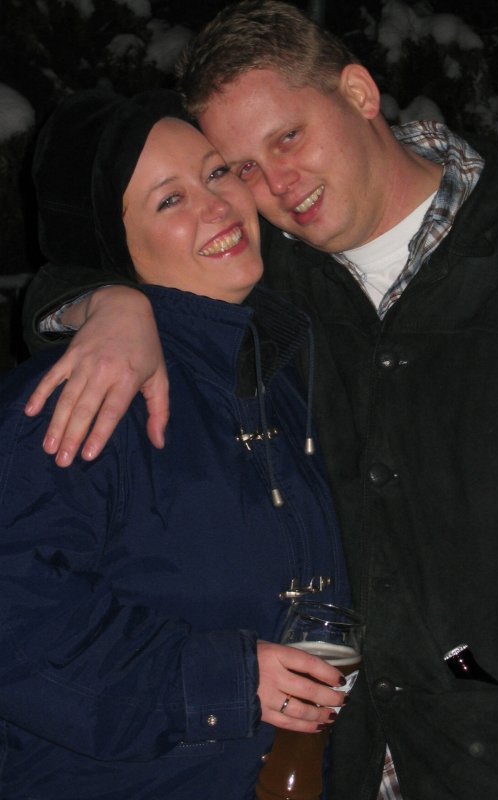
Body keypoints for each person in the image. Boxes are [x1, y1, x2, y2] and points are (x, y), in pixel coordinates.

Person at [21, 1, 498, 798]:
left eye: (288, 137)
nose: (275, 186)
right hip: (347, 765)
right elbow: (98, 251)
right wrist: (102, 303)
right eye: (240, 167)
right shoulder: (273, 278)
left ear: (359, 93)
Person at [0, 85, 352, 800]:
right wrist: (224, 681)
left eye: (216, 172)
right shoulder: (83, 392)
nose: (217, 205)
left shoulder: (280, 368)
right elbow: (15, 622)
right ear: (114, 245)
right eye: (170, 200)